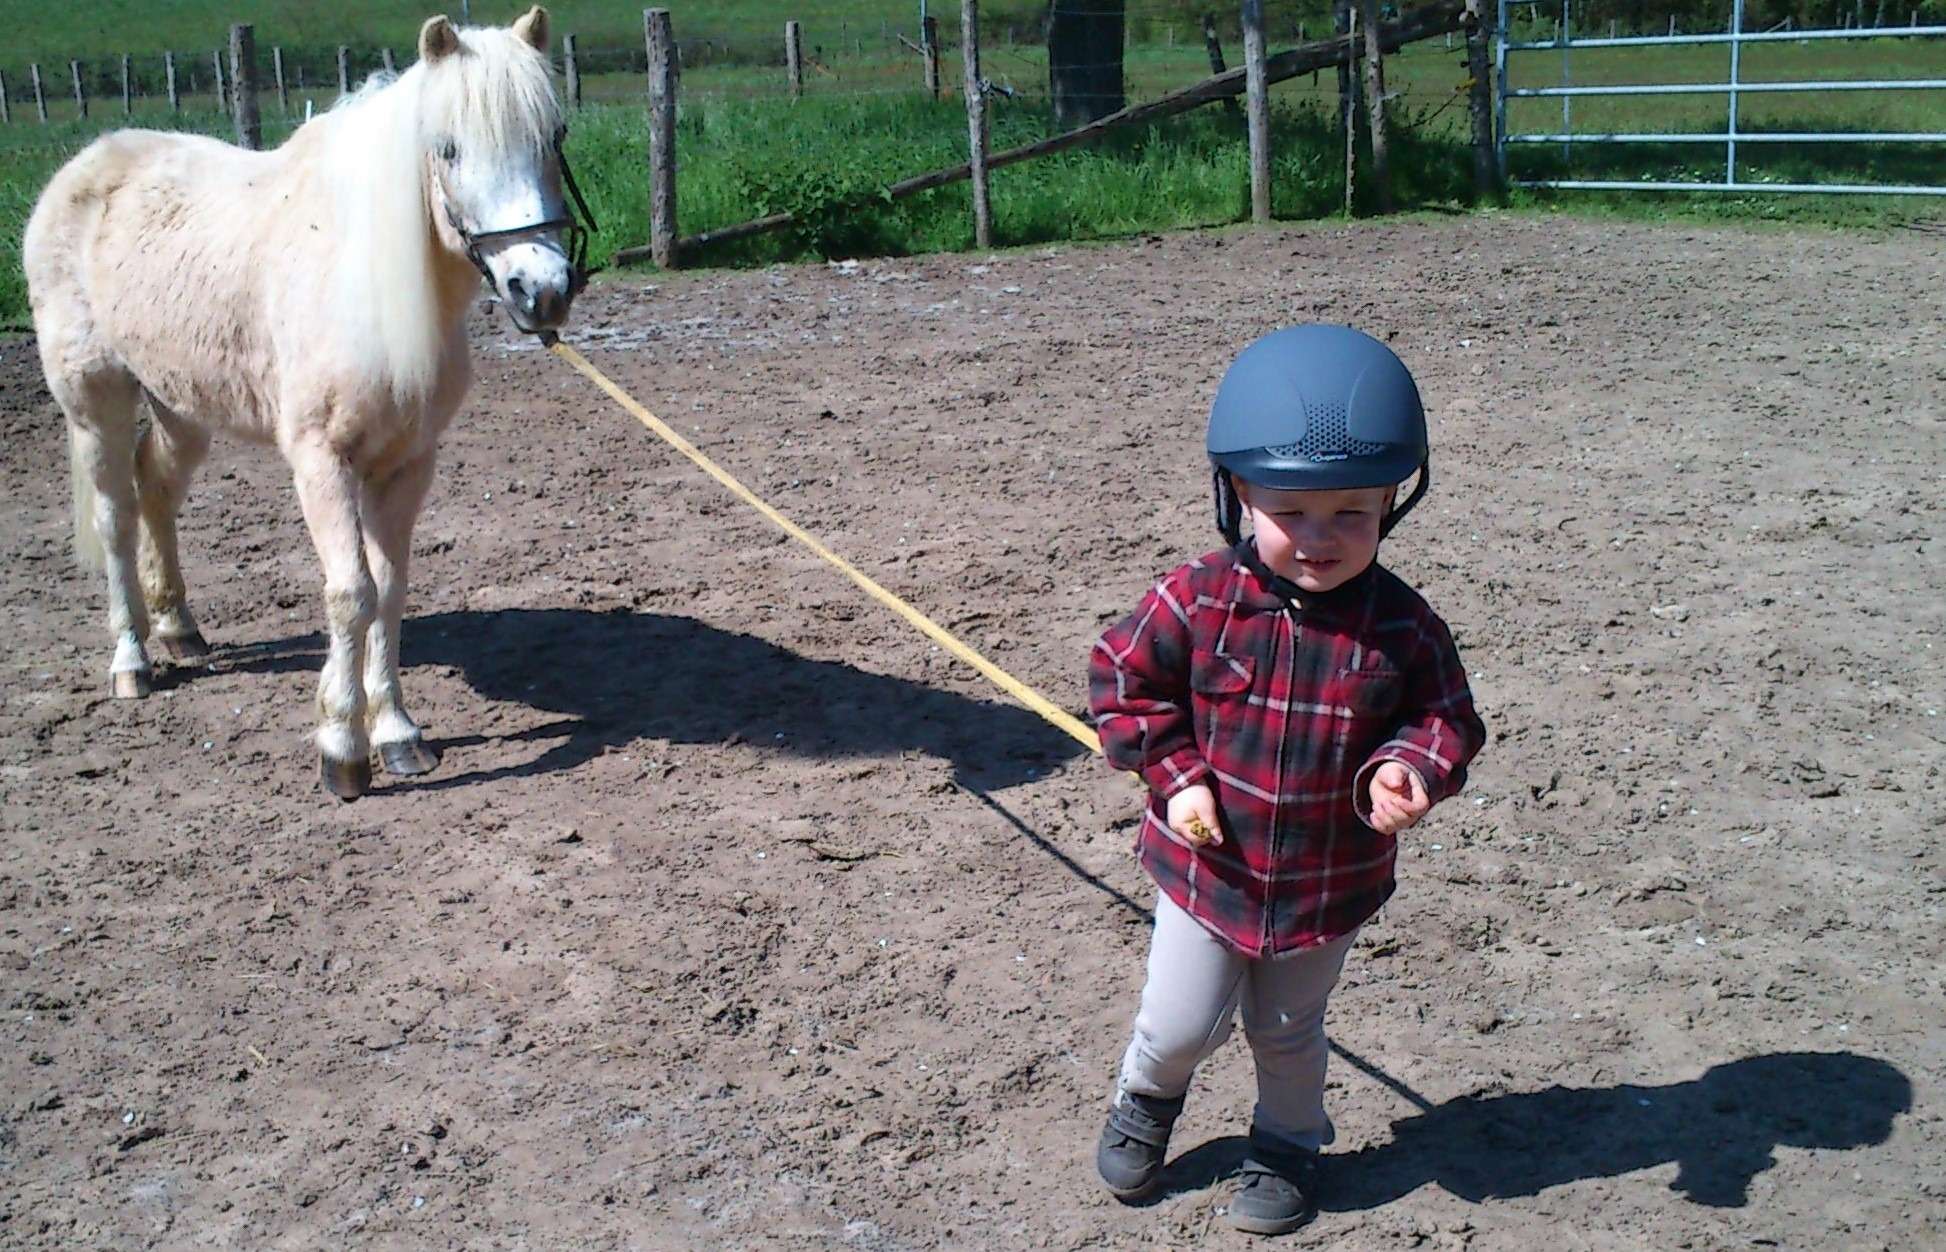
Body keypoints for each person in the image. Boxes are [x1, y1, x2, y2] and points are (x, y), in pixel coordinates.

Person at [1088, 325, 1486, 1234]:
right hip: (1205, 875)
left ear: (1392, 501)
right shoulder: (1197, 597)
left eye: (1352, 513)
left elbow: (1448, 719)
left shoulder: (1405, 626)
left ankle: (1287, 1144)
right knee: (1178, 1023)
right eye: (1292, 511)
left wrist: (1407, 768)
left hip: (1324, 885)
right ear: (1239, 494)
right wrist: (1177, 776)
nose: (1319, 538)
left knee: (1287, 1032)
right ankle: (1146, 1100)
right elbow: (1122, 678)